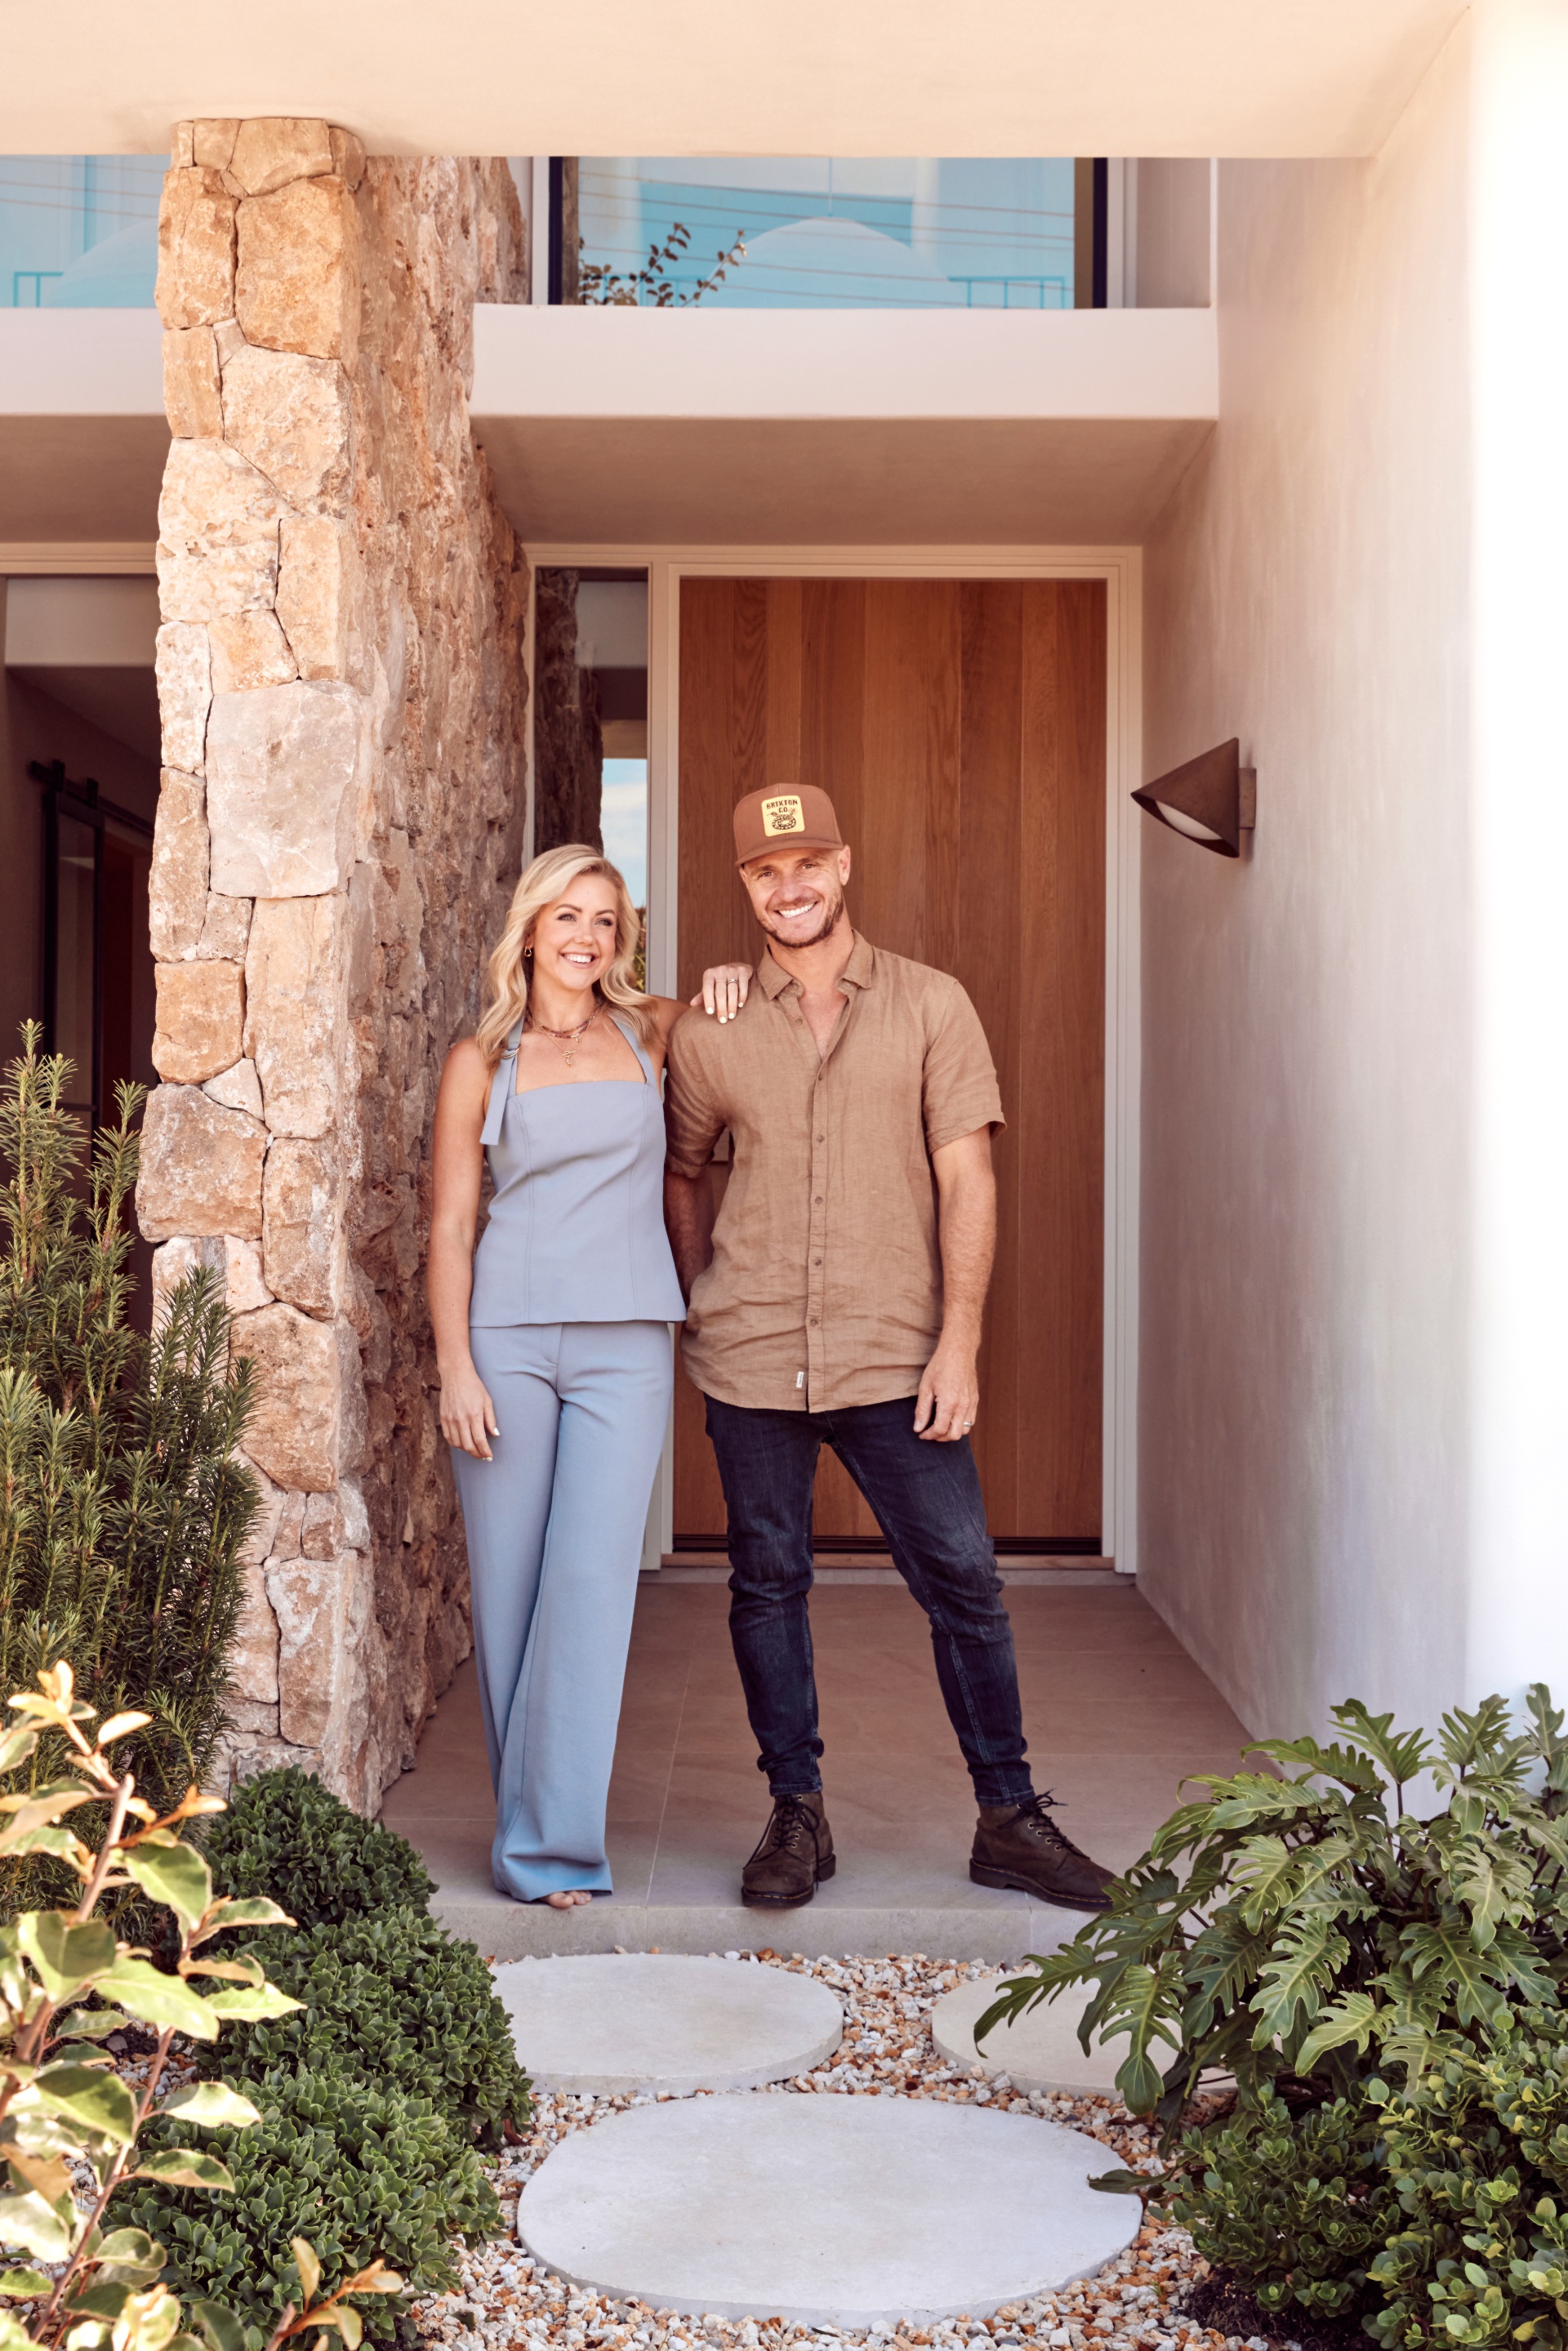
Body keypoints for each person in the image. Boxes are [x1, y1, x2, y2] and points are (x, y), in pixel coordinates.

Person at [663, 784, 1116, 1915]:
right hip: (753, 1357)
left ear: (845, 863)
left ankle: (1009, 1817)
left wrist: (958, 1344)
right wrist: (696, 1291)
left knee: (963, 1579)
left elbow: (971, 1178)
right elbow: (683, 1167)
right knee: (767, 1584)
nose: (791, 886)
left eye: (808, 862)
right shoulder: (712, 1026)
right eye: (766, 872)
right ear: (745, 887)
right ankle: (796, 1814)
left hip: (891, 1353)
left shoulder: (931, 1006)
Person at [430, 844, 750, 1908]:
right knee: (514, 1590)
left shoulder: (648, 1028)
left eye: (604, 922)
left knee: (592, 1585)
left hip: (627, 1340)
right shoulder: (483, 1057)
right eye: (566, 917)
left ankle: (556, 1846)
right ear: (530, 929)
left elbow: (729, 1019)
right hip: (507, 1340)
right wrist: (454, 1365)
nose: (584, 937)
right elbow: (450, 1224)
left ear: (623, 939)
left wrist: (733, 980)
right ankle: (533, 1842)